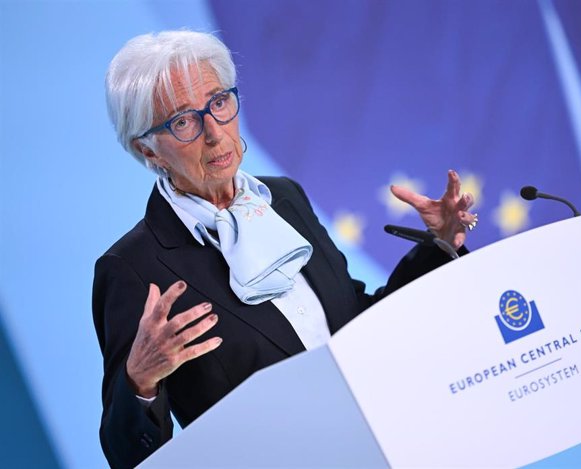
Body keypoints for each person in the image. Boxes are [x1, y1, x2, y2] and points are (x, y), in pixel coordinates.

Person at [93, 30, 477, 468]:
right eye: (183, 121)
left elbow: (352, 324)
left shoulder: (285, 199)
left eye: (219, 102)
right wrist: (139, 381)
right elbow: (127, 455)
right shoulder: (133, 266)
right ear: (147, 148)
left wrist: (441, 246)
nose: (215, 134)